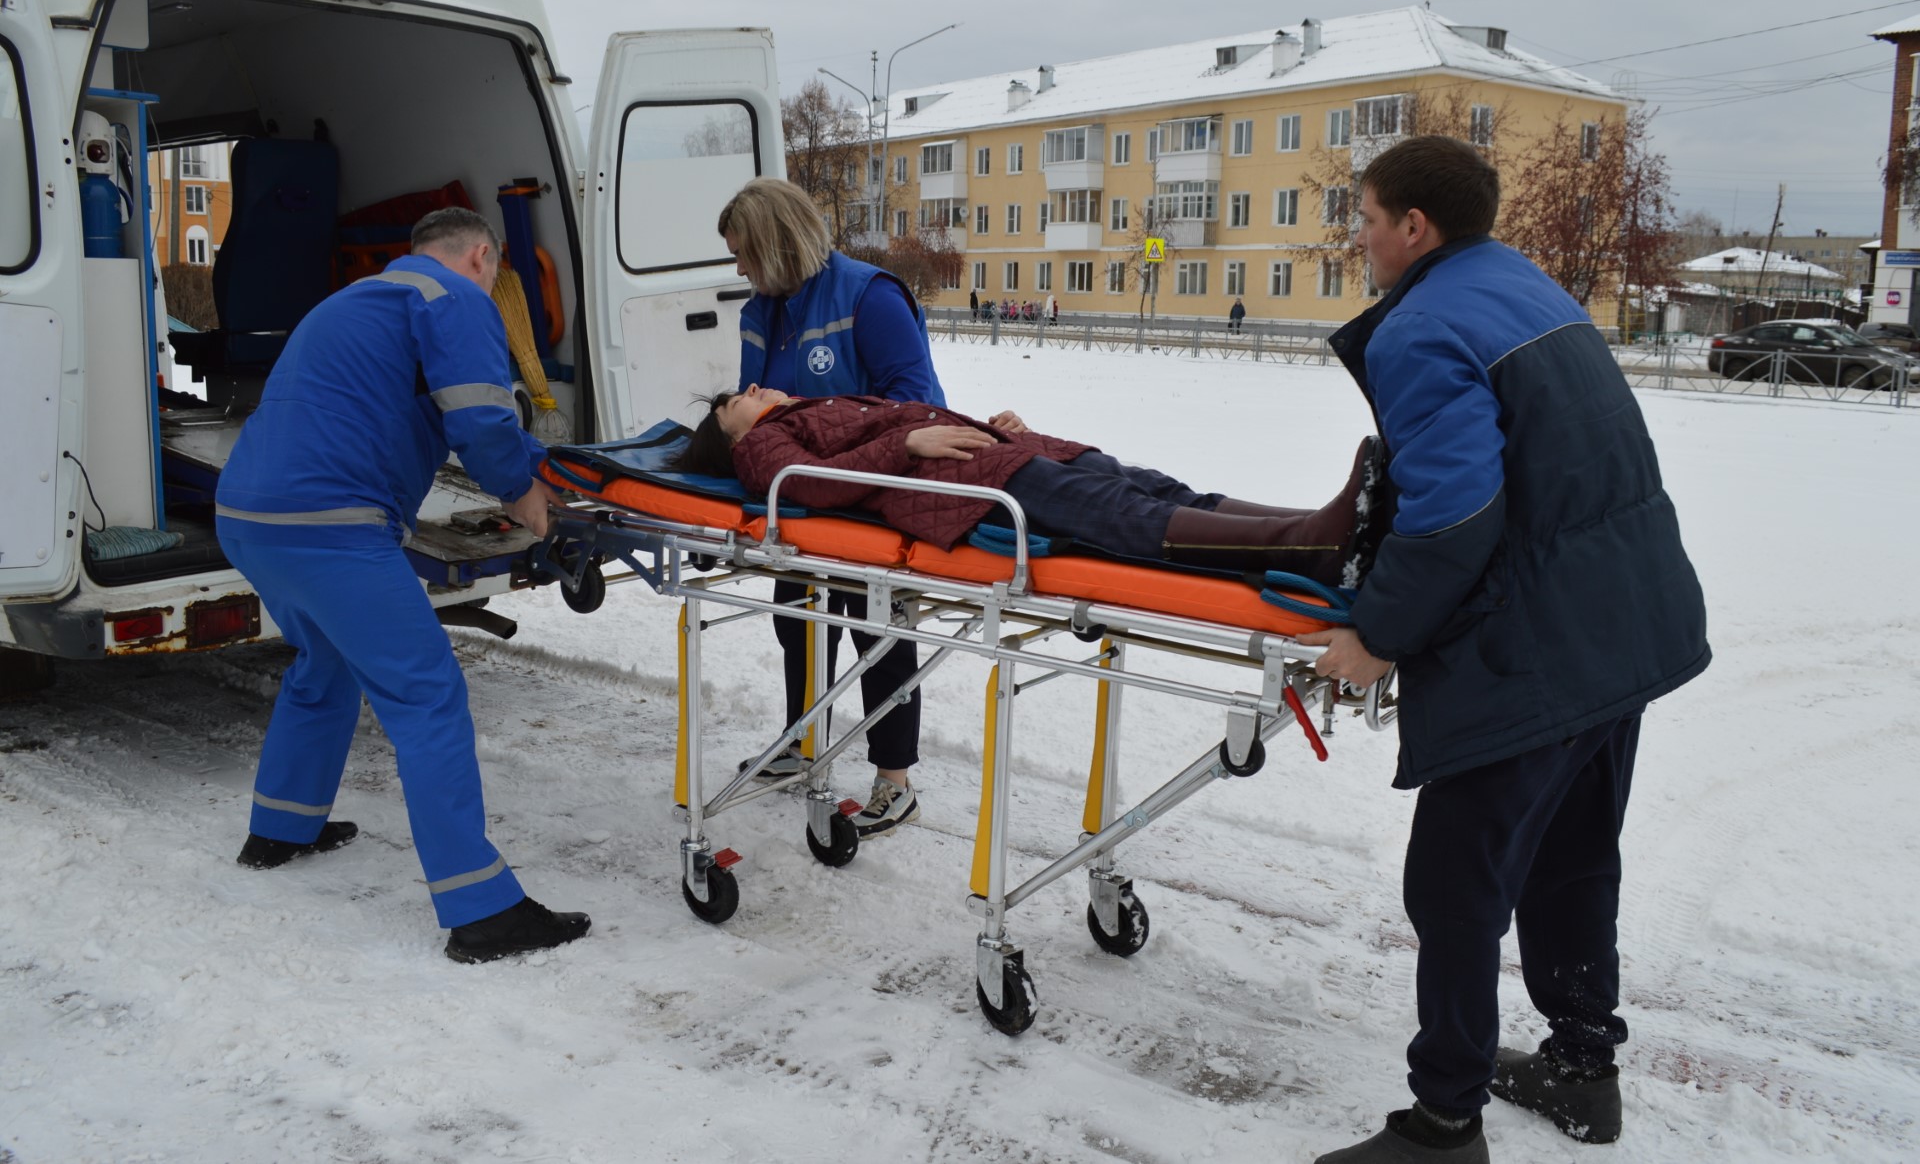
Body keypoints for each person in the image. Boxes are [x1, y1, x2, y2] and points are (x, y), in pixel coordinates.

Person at [1304, 137, 1709, 1163]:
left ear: (1414, 227)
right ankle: (1581, 1068)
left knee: (1455, 886)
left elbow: (1452, 515)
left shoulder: (1422, 325)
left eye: (1366, 218)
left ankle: (1444, 1123)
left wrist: (1378, 632)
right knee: (1572, 856)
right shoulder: (1523, 284)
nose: (1358, 237)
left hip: (1537, 643)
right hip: (1627, 614)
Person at [216, 207, 589, 964]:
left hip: (250, 516)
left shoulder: (357, 302)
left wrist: (538, 467)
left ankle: (281, 826)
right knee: (428, 697)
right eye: (496, 273)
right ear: (480, 256)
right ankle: (483, 911)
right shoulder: (454, 299)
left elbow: (451, 413)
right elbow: (479, 417)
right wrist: (522, 492)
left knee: (324, 662)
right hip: (332, 527)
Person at [720, 177, 945, 838]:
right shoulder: (760, 311)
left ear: (774, 244)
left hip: (876, 493)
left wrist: (816, 418)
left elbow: (917, 403)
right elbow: (756, 406)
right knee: (798, 620)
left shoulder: (868, 297)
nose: (739, 269)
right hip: (803, 499)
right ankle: (803, 741)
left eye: (743, 254)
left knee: (880, 632)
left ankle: (894, 780)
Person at [674, 384, 1377, 588]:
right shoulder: (761, 450)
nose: (753, 389)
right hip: (967, 485)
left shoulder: (803, 412)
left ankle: (1323, 524)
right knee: (1123, 512)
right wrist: (907, 443)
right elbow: (813, 486)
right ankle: (1311, 546)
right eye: (737, 401)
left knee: (1158, 489)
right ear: (732, 438)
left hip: (998, 454)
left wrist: (989, 424)